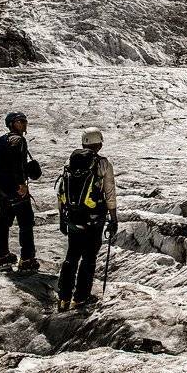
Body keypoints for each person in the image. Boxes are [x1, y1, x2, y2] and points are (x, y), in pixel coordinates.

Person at [56, 127, 118, 311]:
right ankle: (81, 297)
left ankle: (63, 297)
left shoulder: (70, 162)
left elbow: (61, 191)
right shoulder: (102, 164)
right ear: (98, 143)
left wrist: (62, 217)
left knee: (71, 256)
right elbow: (110, 193)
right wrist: (113, 218)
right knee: (89, 257)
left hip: (73, 217)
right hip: (94, 219)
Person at [0, 112, 41, 274]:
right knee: (26, 222)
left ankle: (2, 255)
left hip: (3, 189)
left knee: (4, 221)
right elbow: (15, 165)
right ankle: (27, 259)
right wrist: (21, 185)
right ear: (12, 124)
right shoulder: (18, 141)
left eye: (24, 121)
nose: (24, 124)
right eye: (20, 121)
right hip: (16, 189)